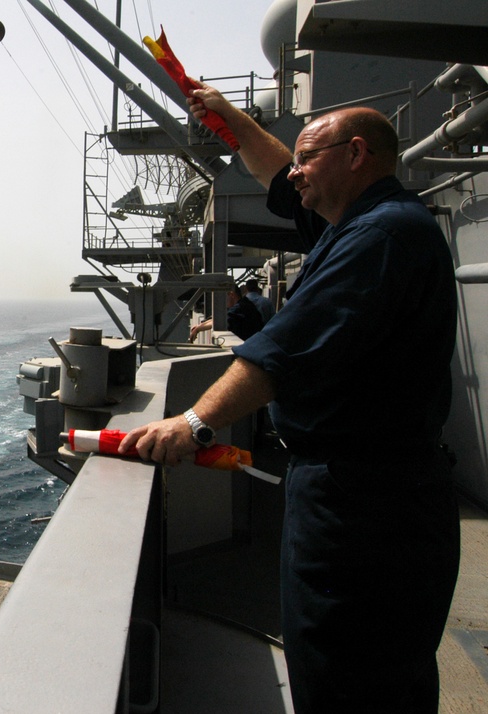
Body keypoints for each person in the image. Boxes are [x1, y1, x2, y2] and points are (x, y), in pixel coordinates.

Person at [120, 82, 460, 713]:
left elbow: (285, 348)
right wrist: (230, 119)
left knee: (347, 674)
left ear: (356, 153)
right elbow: (280, 173)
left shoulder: (379, 238)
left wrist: (191, 422)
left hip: (366, 509)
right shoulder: (364, 221)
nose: (297, 174)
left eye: (311, 159)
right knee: (380, 674)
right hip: (376, 494)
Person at [189, 283, 264, 342]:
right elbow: (219, 318)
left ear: (231, 295)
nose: (221, 301)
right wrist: (200, 326)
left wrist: (198, 329)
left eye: (223, 297)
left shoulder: (240, 308)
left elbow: (220, 321)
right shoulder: (242, 304)